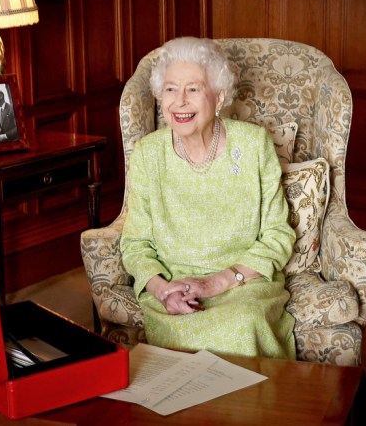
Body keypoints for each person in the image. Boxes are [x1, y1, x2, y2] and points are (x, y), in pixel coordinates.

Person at [119, 37, 297, 359]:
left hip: (244, 284)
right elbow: (135, 244)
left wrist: (216, 284)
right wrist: (162, 291)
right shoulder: (147, 154)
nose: (180, 102)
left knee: (242, 326)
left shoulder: (254, 145)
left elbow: (277, 235)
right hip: (173, 289)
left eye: (194, 89)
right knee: (178, 344)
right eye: (171, 89)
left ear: (219, 97)